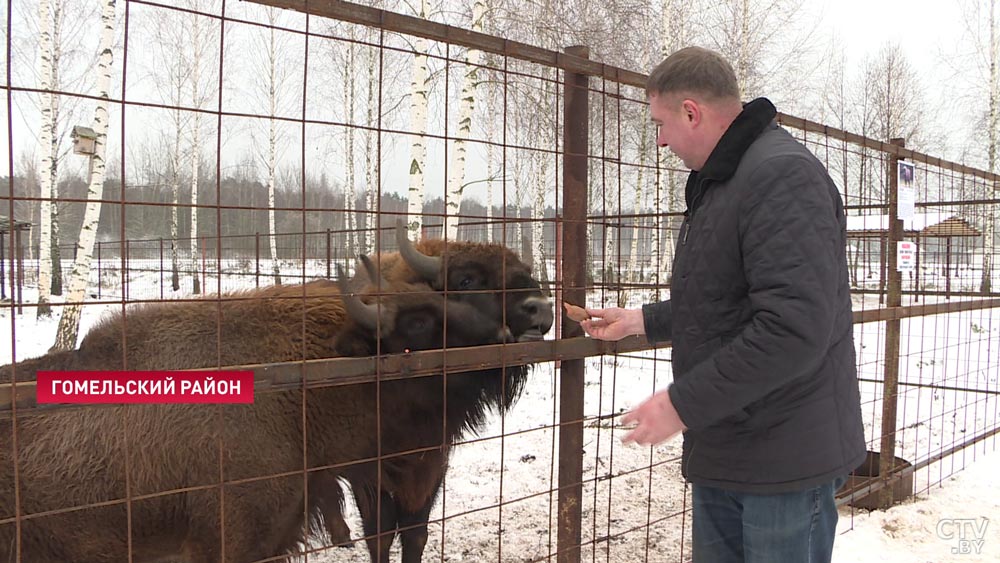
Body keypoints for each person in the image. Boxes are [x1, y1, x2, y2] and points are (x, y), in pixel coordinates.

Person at [580, 46, 866, 563]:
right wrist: (640, 320)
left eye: (661, 123)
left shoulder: (781, 175)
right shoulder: (725, 181)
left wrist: (681, 404)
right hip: (730, 445)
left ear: (692, 112)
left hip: (782, 461)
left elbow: (792, 328)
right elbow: (724, 304)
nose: (660, 139)